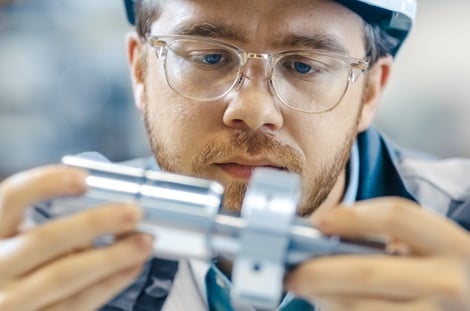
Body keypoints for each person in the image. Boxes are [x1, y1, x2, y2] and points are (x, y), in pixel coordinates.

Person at [1, 0, 470, 310]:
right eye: (209, 57)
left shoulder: (459, 226)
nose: (253, 109)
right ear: (140, 72)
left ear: (370, 92)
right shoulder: (43, 249)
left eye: (304, 65)